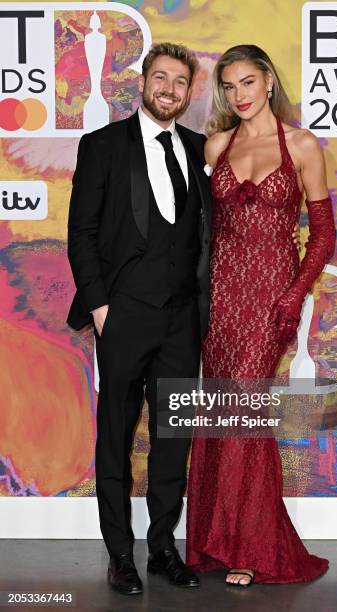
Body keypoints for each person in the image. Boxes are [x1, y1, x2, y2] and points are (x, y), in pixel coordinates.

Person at [186, 44, 336, 587]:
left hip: (271, 297)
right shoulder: (216, 145)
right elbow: (194, 227)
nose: (238, 95)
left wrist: (294, 294)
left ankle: (248, 546)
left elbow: (323, 233)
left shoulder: (301, 144)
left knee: (244, 410)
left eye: (247, 82)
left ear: (268, 81)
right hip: (220, 299)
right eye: (228, 86)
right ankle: (211, 541)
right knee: (222, 411)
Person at [66, 42, 212, 595]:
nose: (169, 88)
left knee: (173, 438)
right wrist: (101, 307)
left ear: (189, 91)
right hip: (122, 316)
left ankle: (162, 549)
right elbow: (81, 234)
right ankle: (119, 554)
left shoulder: (200, 149)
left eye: (180, 81)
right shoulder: (102, 145)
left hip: (181, 320)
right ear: (144, 82)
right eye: (161, 77)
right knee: (116, 436)